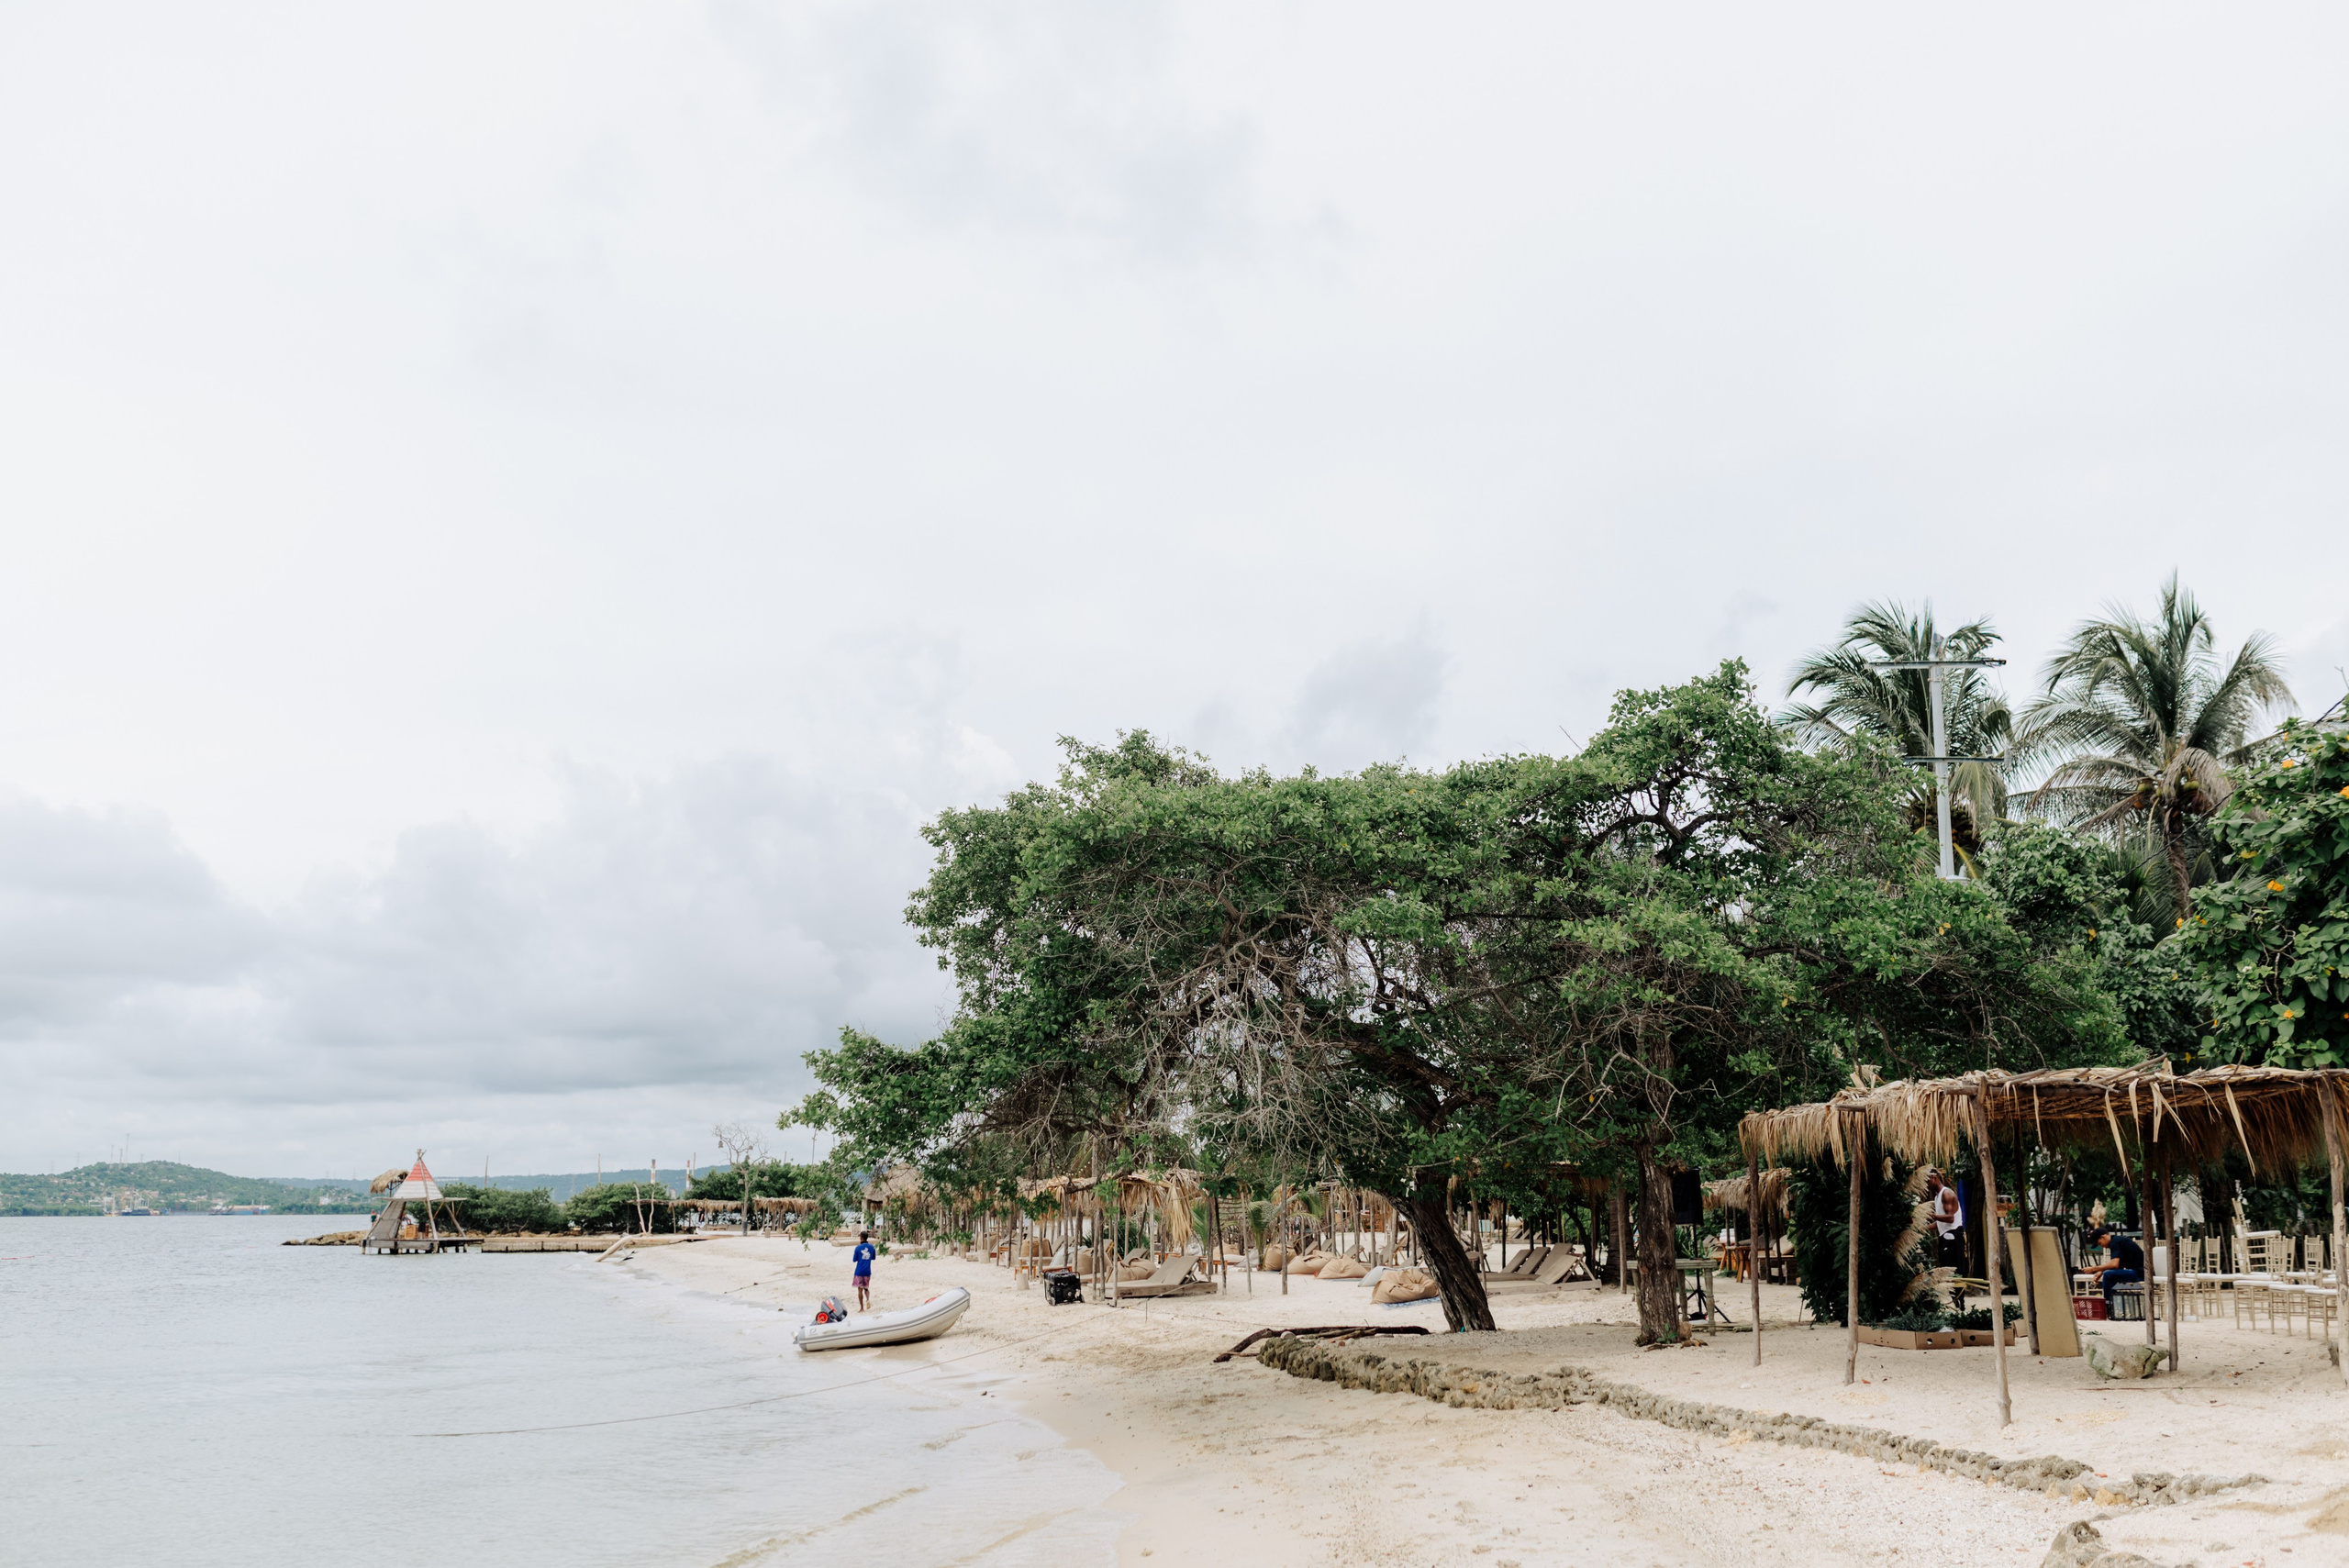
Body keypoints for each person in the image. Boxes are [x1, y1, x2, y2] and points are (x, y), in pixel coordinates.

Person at [2084, 1225, 2143, 1307]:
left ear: (2103, 1237)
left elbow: (2114, 1264)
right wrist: (2101, 1271)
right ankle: (2114, 1303)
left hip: (2140, 1273)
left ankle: (2108, 1304)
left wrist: (2094, 1268)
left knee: (2108, 1275)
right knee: (2109, 1274)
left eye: (2100, 1243)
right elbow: (2118, 1264)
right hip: (2137, 1271)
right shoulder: (2117, 1240)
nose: (2102, 1246)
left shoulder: (2115, 1242)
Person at [1923, 1169, 1963, 1268]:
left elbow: (1950, 1218)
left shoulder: (1946, 1193)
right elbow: (1940, 1222)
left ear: (1934, 1178)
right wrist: (1924, 1228)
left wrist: (1932, 1215)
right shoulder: (1937, 1197)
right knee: (1945, 1269)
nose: (1927, 1185)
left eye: (1927, 1182)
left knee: (1952, 1271)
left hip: (1953, 1235)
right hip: (1945, 1236)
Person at [852, 1229, 878, 1310]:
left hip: (859, 1271)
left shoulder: (858, 1248)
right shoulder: (872, 1247)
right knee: (866, 1287)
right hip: (867, 1271)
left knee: (860, 1289)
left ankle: (862, 1308)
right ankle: (868, 1300)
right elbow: (873, 1258)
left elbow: (854, 1259)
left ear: (861, 1238)